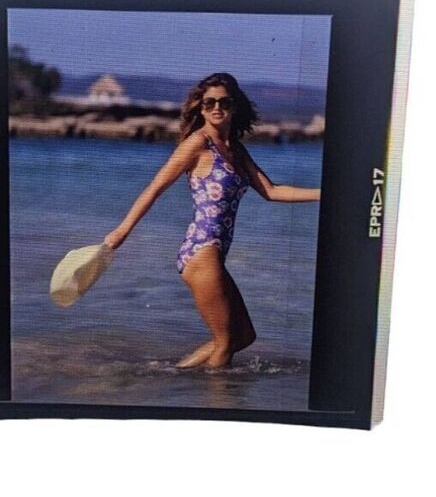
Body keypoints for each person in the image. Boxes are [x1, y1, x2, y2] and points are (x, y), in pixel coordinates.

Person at [104, 73, 320, 368]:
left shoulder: (235, 150)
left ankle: (175, 374)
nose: (217, 108)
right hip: (201, 251)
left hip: (214, 252)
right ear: (201, 108)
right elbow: (155, 187)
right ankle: (218, 393)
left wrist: (324, 194)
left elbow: (271, 191)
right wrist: (122, 231)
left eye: (224, 102)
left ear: (234, 106)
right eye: (209, 103)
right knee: (226, 342)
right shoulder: (197, 143)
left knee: (244, 337)